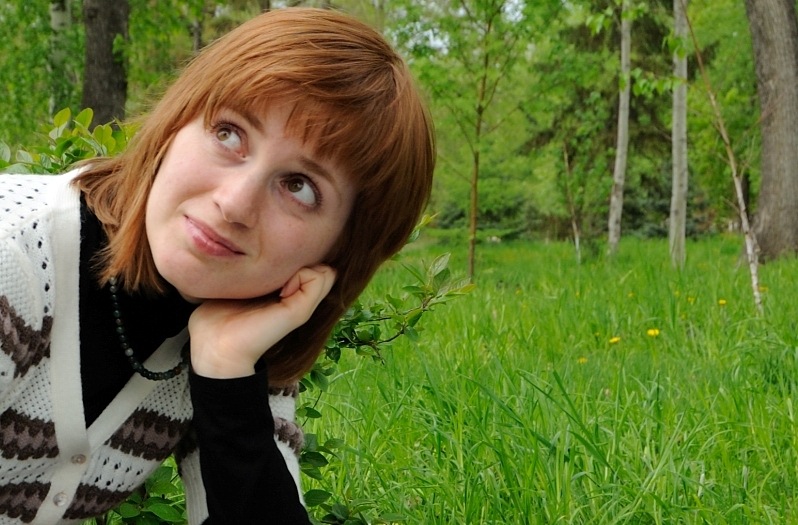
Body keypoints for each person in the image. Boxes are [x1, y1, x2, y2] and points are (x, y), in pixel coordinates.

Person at [0, 7, 434, 524]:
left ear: (341, 250)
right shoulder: (15, 259)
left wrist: (226, 372)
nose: (233, 203)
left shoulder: (241, 323)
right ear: (176, 125)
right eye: (229, 134)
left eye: (299, 187)